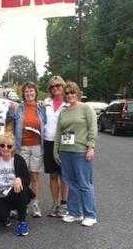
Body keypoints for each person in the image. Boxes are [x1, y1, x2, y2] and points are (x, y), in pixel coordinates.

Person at [54, 81, 98, 227]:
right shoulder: (64, 111)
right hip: (66, 152)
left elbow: (93, 128)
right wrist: (56, 150)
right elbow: (58, 133)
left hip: (81, 151)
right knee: (71, 184)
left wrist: (91, 147)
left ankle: (90, 215)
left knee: (84, 184)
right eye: (67, 93)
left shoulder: (86, 108)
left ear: (77, 93)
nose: (70, 95)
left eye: (72, 92)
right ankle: (75, 213)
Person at [0, 133, 34, 236]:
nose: (5, 148)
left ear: (13, 148)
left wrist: (20, 179)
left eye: (9, 146)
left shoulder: (19, 160)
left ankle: (22, 222)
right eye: (2, 145)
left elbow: (28, 179)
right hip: (0, 196)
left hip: (14, 193)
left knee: (22, 188)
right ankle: (6, 216)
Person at [13, 82, 46, 218]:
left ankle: (35, 204)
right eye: (26, 91)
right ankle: (21, 204)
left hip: (37, 145)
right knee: (21, 176)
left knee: (35, 176)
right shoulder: (18, 108)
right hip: (22, 146)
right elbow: (10, 121)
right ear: (23, 94)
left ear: (35, 92)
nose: (29, 93)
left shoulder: (41, 107)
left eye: (31, 91)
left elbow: (46, 123)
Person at [43, 76, 69, 217]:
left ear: (63, 86)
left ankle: (64, 204)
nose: (56, 88)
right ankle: (55, 204)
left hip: (64, 143)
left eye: (58, 85)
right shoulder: (46, 102)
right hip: (48, 141)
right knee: (53, 175)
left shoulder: (68, 102)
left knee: (64, 175)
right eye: (53, 86)